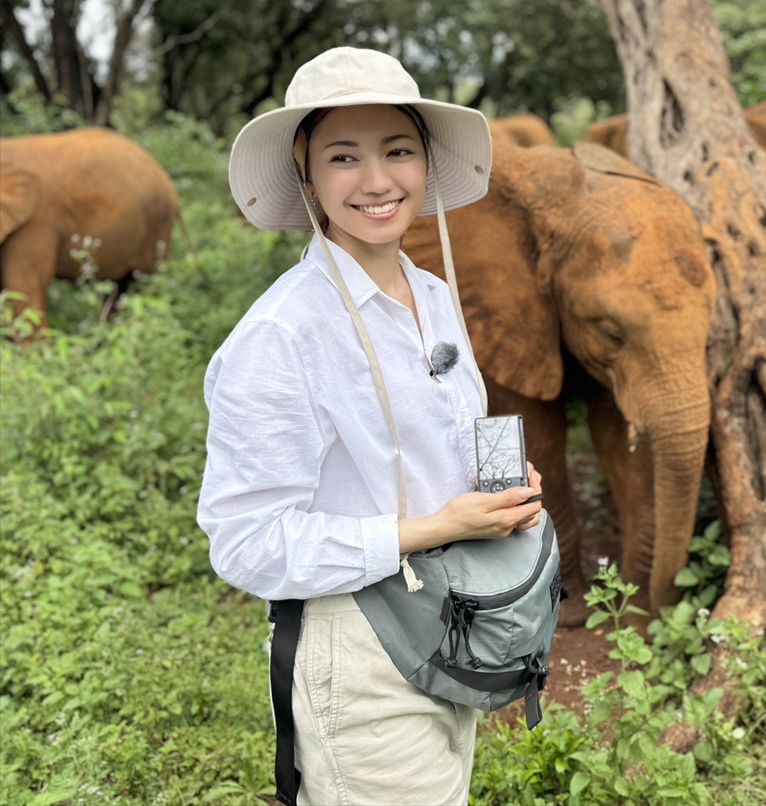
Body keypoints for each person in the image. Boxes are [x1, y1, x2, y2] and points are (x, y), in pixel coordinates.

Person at [196, 47, 544, 805]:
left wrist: (497, 488)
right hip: (360, 650)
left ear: (425, 162)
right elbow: (246, 541)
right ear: (306, 174)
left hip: (452, 623)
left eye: (398, 150)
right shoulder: (282, 335)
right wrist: (424, 528)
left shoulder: (432, 292)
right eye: (343, 156)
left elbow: (436, 438)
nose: (378, 181)